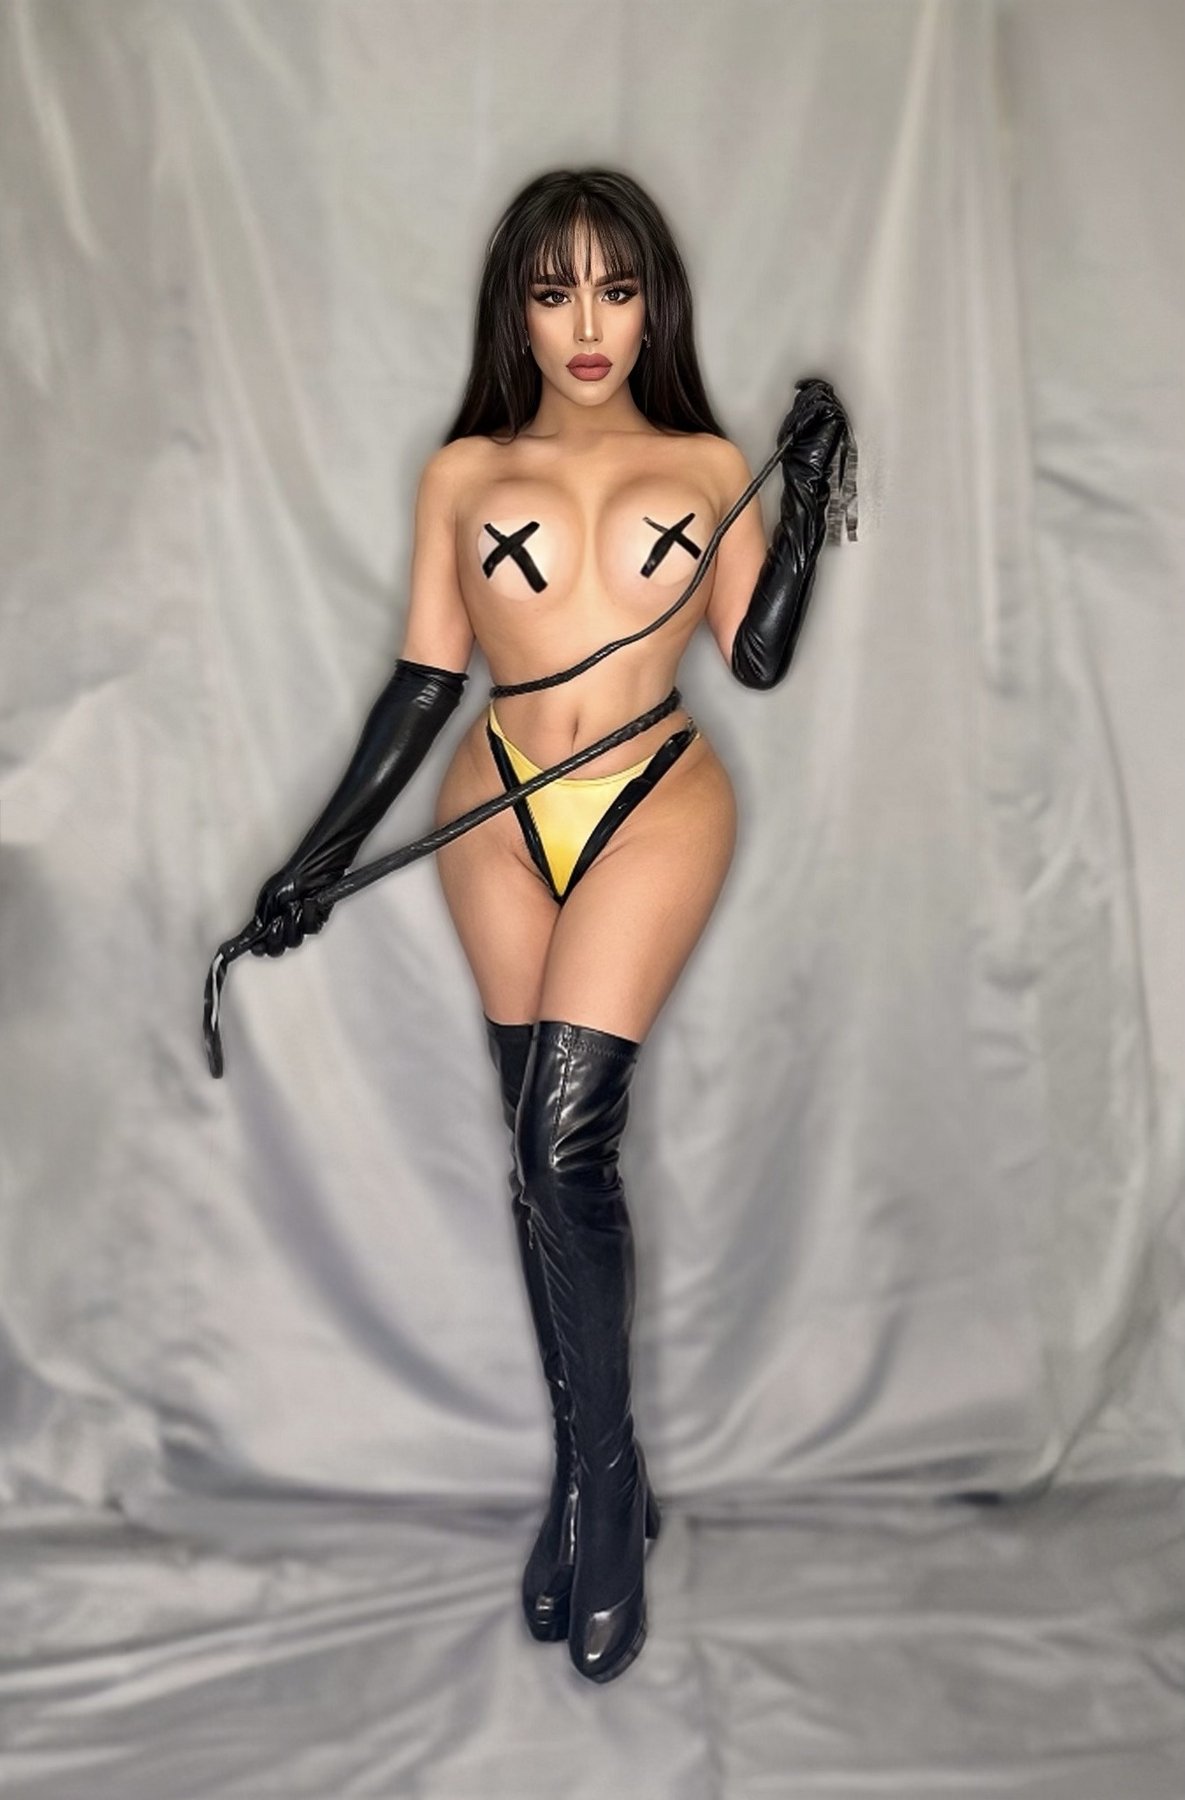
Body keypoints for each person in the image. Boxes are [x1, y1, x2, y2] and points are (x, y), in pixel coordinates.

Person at [247, 168, 854, 1683]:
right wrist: (314, 862)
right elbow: (422, 684)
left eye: (617, 289)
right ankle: (599, 1486)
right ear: (513, 309)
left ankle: (601, 1488)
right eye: (554, 289)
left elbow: (754, 661)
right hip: (496, 809)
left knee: (560, 1150)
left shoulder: (707, 462)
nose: (588, 323)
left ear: (655, 306)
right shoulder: (464, 472)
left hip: (654, 796)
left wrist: (805, 496)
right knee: (537, 1159)